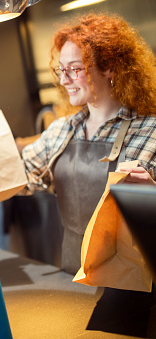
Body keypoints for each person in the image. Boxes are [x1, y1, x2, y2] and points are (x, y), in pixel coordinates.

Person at [22, 13, 156, 335]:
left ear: (110, 67)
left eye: (75, 69)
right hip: (73, 273)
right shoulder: (62, 130)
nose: (64, 79)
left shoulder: (150, 129)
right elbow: (20, 177)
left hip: (132, 288)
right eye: (61, 69)